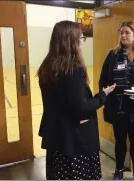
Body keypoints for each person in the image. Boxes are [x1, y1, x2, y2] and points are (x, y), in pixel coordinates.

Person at [37, 20, 116, 180]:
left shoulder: (47, 67)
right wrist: (103, 95)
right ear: (71, 42)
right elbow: (82, 109)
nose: (82, 42)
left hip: (56, 136)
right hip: (74, 140)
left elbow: (61, 104)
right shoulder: (73, 70)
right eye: (81, 38)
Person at [99, 21, 134, 180]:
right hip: (117, 107)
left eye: (127, 32)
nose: (123, 35)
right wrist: (106, 93)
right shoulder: (112, 55)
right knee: (119, 141)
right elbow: (103, 79)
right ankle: (118, 170)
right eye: (121, 32)